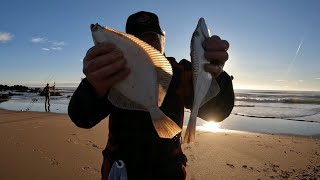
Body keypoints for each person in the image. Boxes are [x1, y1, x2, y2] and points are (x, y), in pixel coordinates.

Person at [68, 11, 235, 180]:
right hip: (121, 172)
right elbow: (82, 118)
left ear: (163, 40)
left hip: (169, 173)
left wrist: (216, 75)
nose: (148, 45)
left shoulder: (181, 73)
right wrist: (92, 86)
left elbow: (218, 111)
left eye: (153, 39)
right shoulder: (114, 74)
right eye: (139, 41)